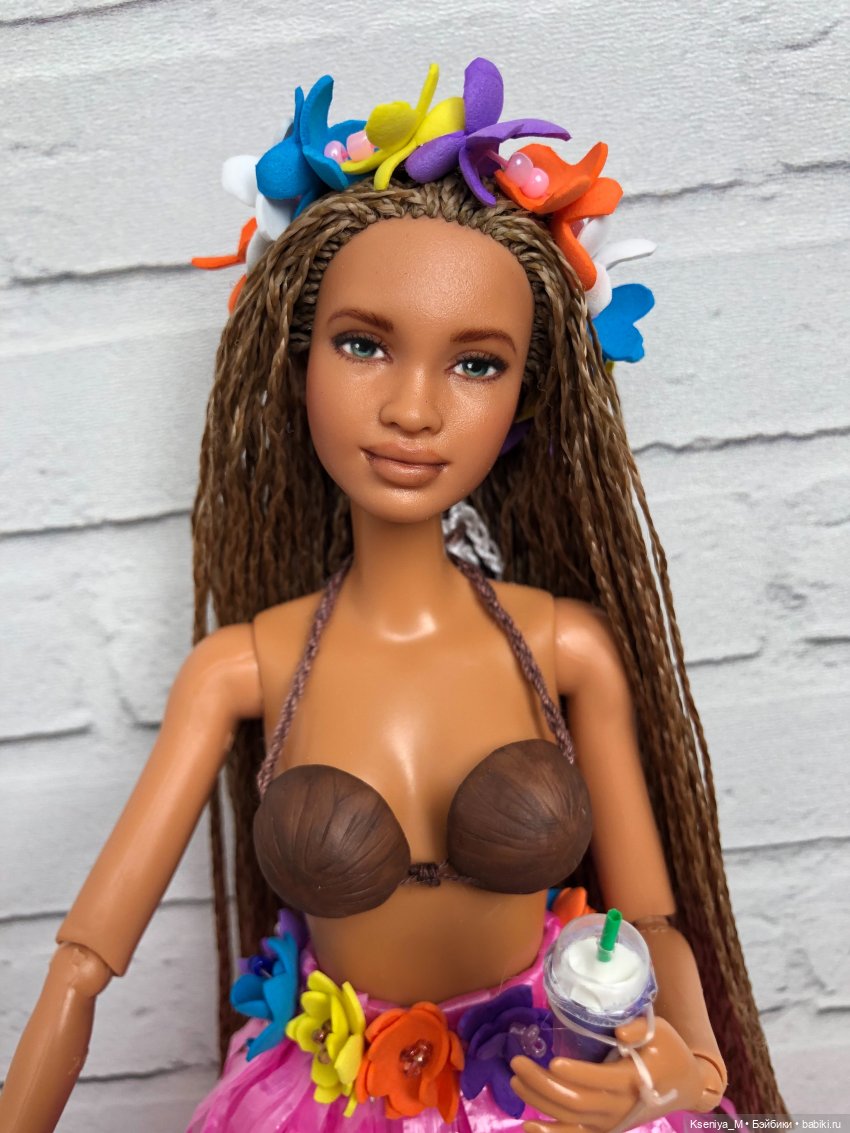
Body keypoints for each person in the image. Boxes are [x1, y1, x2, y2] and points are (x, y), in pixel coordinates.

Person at [0, 60, 784, 1133]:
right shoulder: (243, 669)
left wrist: (680, 1071)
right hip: (334, 1098)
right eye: (363, 345)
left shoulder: (566, 649)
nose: (413, 408)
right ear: (297, 363)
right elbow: (88, 960)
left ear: (525, 397)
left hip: (553, 1089)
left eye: (475, 364)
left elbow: (648, 920)